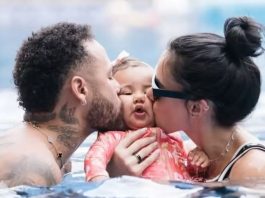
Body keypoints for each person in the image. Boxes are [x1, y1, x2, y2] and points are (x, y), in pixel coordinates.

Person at [107, 16, 265, 182]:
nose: (148, 95)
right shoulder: (187, 154)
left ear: (196, 108)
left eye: (157, 88)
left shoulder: (253, 170)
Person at [0, 22, 126, 187]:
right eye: (109, 76)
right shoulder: (33, 169)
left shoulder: (59, 161)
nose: (119, 87)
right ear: (81, 89)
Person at [84, 55, 209, 182]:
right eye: (127, 92)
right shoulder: (112, 138)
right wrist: (100, 179)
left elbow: (187, 172)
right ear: (114, 102)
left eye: (147, 91)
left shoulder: (173, 135)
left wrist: (196, 163)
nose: (139, 97)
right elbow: (94, 159)